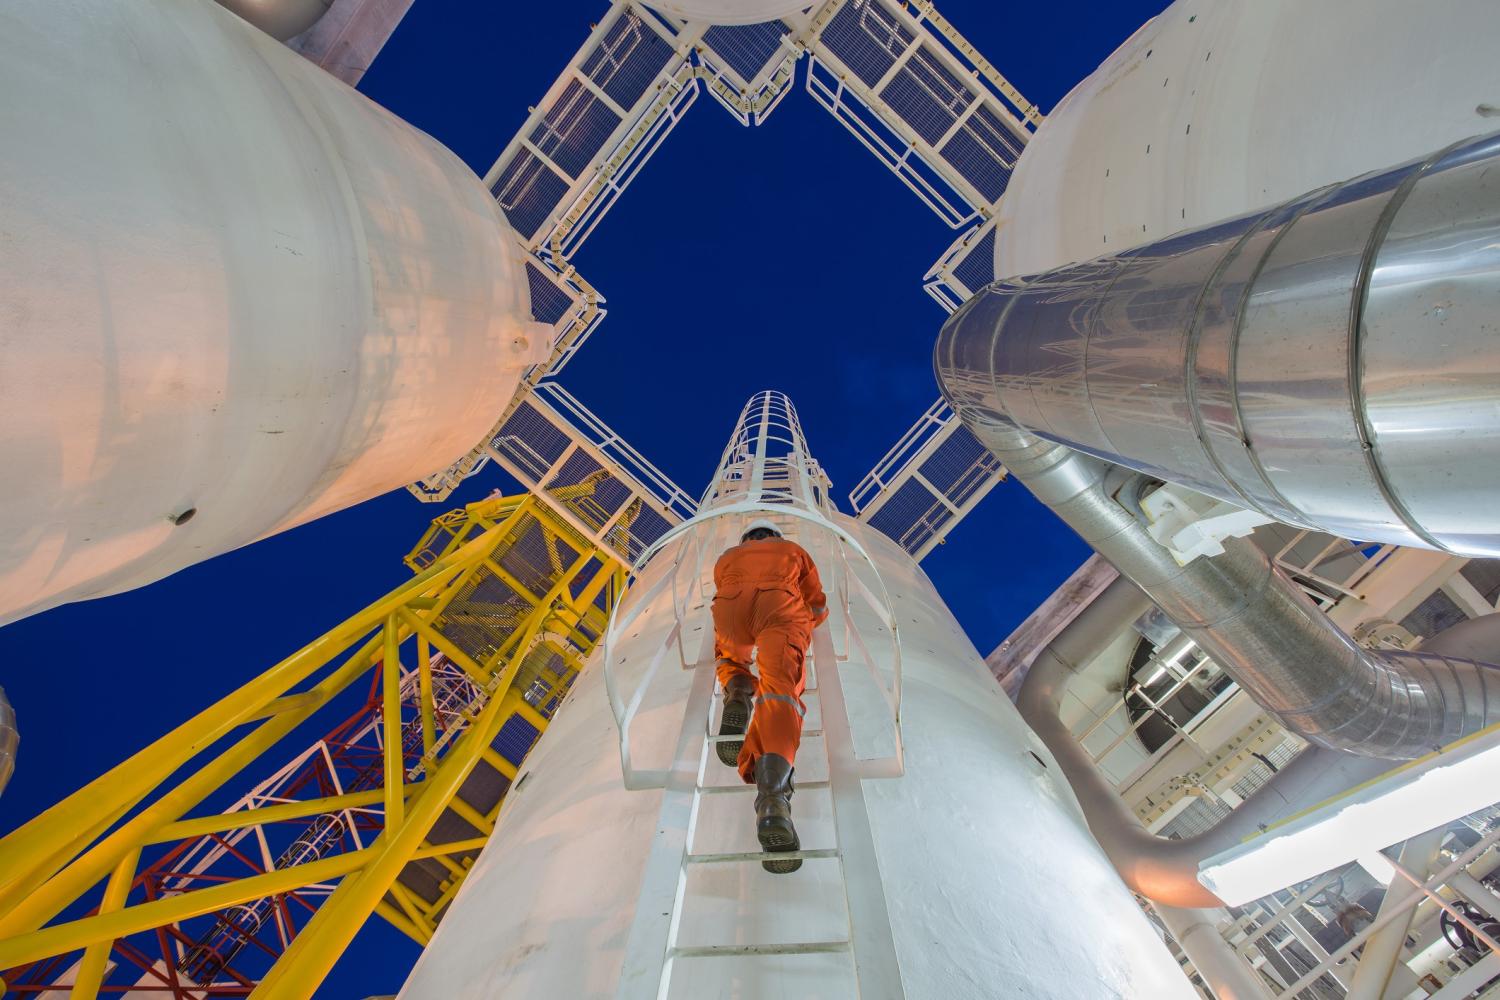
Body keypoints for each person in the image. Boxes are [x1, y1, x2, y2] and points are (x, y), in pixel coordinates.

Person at [711, 518, 827, 874]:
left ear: (746, 539)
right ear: (775, 536)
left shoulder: (728, 556)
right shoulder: (794, 551)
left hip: (730, 609)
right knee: (780, 695)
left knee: (728, 653)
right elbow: (817, 604)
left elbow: (721, 589)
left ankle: (738, 690)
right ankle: (772, 801)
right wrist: (807, 624)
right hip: (778, 607)